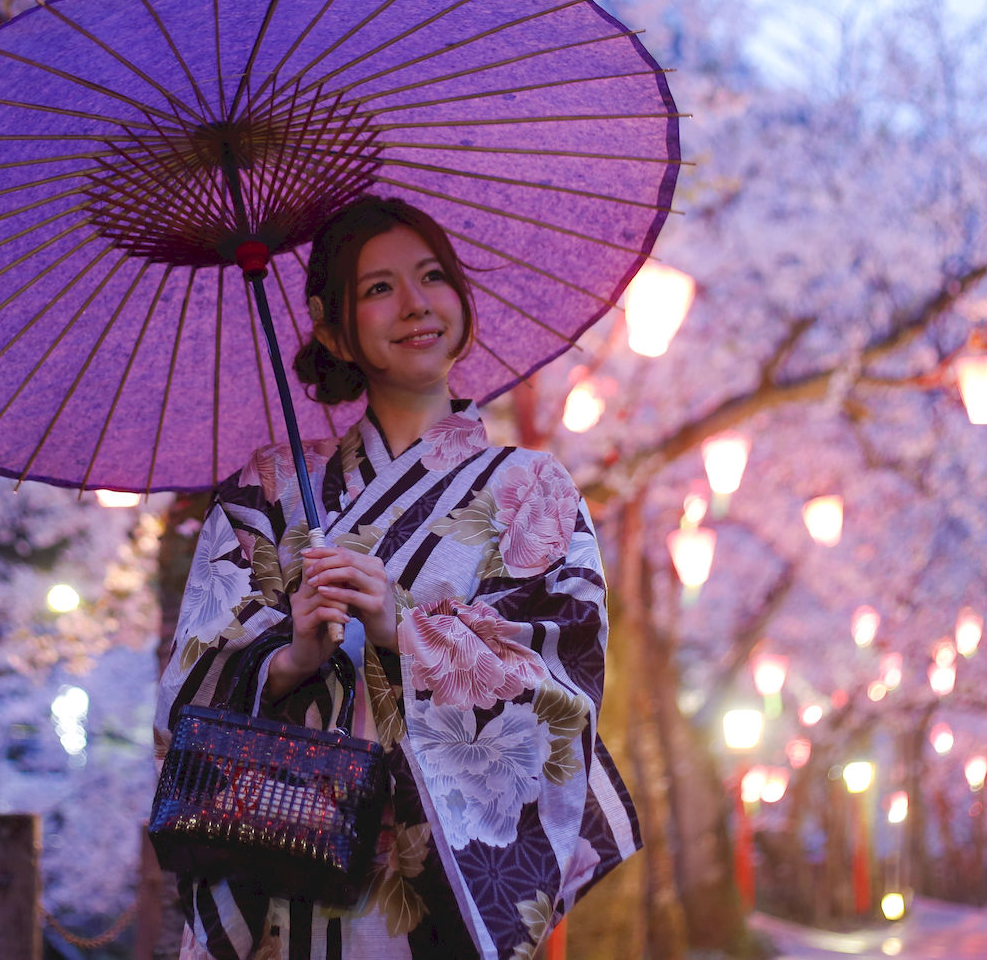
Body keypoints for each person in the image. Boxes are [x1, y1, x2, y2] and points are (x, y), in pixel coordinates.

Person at [155, 196, 638, 960]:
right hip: (278, 876)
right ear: (330, 325)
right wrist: (288, 659)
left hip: (420, 905)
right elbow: (183, 693)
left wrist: (399, 625)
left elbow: (563, 698)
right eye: (379, 288)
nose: (416, 304)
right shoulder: (270, 488)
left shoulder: (533, 489)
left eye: (433, 276)